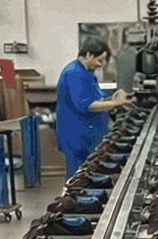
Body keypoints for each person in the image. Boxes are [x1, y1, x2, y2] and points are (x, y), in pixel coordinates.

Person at [55, 37, 128, 179]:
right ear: (88, 55)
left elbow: (95, 96)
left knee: (88, 178)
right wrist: (117, 103)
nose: (100, 65)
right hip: (77, 138)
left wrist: (112, 96)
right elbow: (86, 105)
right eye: (99, 60)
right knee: (78, 180)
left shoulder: (86, 72)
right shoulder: (74, 73)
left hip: (88, 137)